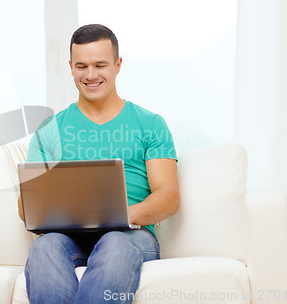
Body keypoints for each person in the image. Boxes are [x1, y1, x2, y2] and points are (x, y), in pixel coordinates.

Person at [18, 24, 180, 303]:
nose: (90, 75)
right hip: (68, 236)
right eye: (81, 66)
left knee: (114, 242)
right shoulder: (49, 130)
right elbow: (26, 209)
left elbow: (169, 196)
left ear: (118, 65)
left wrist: (121, 215)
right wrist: (45, 210)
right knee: (44, 247)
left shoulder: (149, 124)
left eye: (100, 65)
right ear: (70, 67)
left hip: (129, 236)